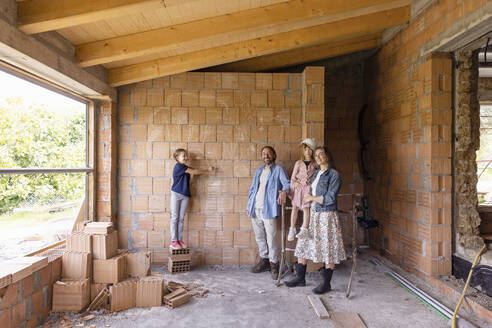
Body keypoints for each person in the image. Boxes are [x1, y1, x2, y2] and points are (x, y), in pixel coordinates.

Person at [285, 146, 346, 294]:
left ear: (328, 156)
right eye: (316, 155)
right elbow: (305, 188)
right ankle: (300, 278)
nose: (317, 157)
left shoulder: (334, 175)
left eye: (321, 154)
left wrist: (312, 198)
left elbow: (331, 198)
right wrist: (295, 195)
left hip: (327, 216)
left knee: (328, 248)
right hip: (314, 213)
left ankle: (326, 283)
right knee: (304, 243)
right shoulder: (317, 173)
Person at [246, 146, 290, 280]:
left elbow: (287, 184)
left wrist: (283, 191)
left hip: (268, 209)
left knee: (271, 238)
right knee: (259, 237)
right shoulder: (259, 171)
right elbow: (253, 189)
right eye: (264, 153)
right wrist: (249, 205)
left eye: (269, 153)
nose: (266, 155)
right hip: (256, 208)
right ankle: (264, 261)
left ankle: (274, 264)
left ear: (274, 155)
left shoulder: (278, 170)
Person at [170, 148, 214, 250]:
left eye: (186, 155)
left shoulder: (186, 168)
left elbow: (190, 178)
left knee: (181, 218)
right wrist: (207, 169)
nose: (186, 157)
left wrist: (192, 175)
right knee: (175, 217)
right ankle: (173, 241)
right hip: (176, 194)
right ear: (177, 158)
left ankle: (179, 240)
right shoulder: (178, 166)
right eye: (183, 156)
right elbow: (194, 171)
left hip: (185, 194)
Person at [288, 138, 318, 241]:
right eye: (306, 149)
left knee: (306, 208)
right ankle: (292, 229)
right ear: (303, 151)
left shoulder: (315, 164)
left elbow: (317, 177)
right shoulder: (299, 163)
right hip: (298, 189)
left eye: (310, 149)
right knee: (295, 208)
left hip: (308, 189)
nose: (308, 152)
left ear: (313, 151)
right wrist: (295, 184)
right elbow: (292, 178)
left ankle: (304, 229)